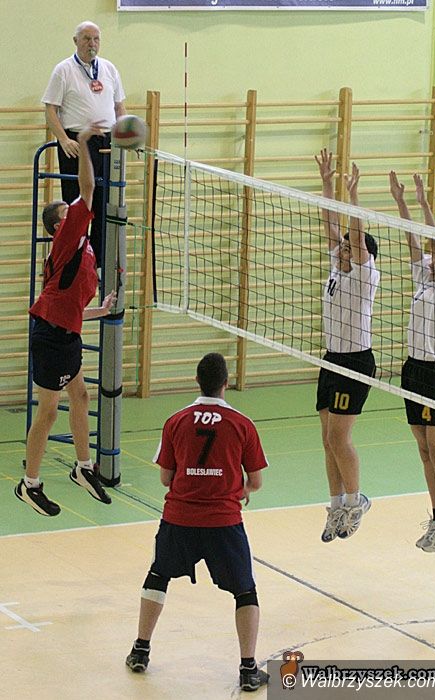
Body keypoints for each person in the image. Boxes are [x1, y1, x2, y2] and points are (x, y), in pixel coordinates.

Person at [126, 353, 269, 693]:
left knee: (158, 576)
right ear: (226, 383)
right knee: (245, 591)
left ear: (196, 381)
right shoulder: (242, 424)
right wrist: (240, 489)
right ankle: (248, 669)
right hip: (224, 522)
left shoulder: (176, 421)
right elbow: (256, 481)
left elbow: (166, 478)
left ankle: (140, 650)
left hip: (179, 519)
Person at [15, 124, 117, 517]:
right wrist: (86, 143)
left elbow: (67, 305)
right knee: (48, 411)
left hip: (66, 332)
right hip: (51, 337)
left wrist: (99, 311)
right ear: (60, 224)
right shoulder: (68, 235)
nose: (73, 209)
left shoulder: (82, 246)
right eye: (67, 209)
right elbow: (87, 189)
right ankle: (30, 484)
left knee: (82, 396)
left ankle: (83, 468)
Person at [389, 171, 435, 552]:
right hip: (412, 371)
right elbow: (413, 241)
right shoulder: (425, 279)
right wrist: (402, 202)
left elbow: (433, 243)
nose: (433, 261)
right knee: (423, 449)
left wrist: (423, 203)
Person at [314, 149, 380, 542]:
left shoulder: (364, 275)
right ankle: (337, 505)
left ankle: (356, 501)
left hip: (355, 362)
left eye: (348, 248)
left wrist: (353, 197)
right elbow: (331, 225)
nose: (341, 249)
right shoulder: (337, 268)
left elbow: (353, 233)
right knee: (328, 440)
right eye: (341, 247)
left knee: (339, 437)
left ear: (362, 255)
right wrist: (326, 184)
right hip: (332, 359)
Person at [42, 21, 126, 267]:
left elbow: (119, 107)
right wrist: (63, 139)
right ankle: (73, 261)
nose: (92, 43)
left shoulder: (109, 68)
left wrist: (124, 138)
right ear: (76, 41)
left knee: (104, 206)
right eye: (87, 38)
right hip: (76, 144)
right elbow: (50, 109)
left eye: (96, 39)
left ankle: (96, 265)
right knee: (77, 207)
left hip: (106, 144)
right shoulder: (64, 70)